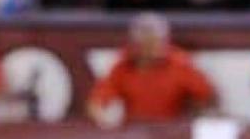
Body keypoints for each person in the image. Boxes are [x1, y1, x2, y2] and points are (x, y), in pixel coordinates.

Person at [86, 13, 219, 128]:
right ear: (135, 45)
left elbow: (208, 96)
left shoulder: (180, 63)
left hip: (172, 131)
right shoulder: (123, 65)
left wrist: (197, 114)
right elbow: (97, 101)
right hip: (135, 132)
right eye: (147, 44)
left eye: (157, 42)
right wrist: (104, 121)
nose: (153, 49)